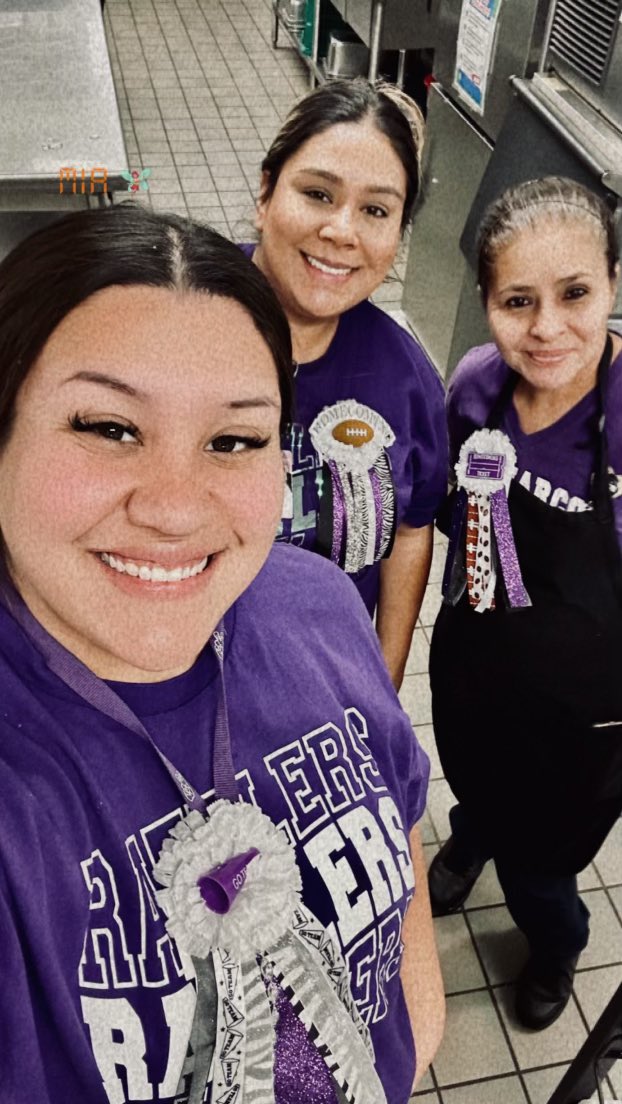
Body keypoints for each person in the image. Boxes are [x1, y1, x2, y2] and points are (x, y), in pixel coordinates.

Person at [0, 205, 444, 1104]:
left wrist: (412, 1042)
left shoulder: (316, 606)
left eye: (234, 440)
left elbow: (403, 886)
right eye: (109, 427)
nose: (174, 507)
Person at [428, 176, 622, 1031]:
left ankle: (556, 943)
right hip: (476, 670)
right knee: (477, 784)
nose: (546, 329)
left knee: (541, 870)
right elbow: (442, 512)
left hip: (584, 724)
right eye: (518, 300)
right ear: (487, 302)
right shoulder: (477, 386)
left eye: (575, 293)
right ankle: (472, 832)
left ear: (612, 283)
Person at [245, 78, 448, 691]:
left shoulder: (404, 377)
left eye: (376, 210)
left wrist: (379, 686)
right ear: (265, 193)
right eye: (317, 193)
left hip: (318, 687)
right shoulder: (180, 318)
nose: (342, 230)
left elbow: (411, 533)